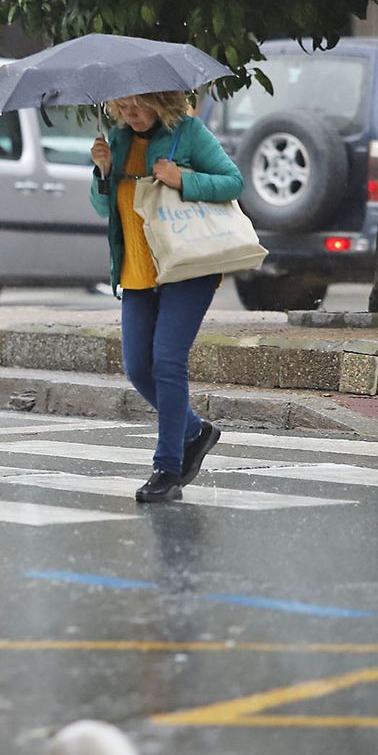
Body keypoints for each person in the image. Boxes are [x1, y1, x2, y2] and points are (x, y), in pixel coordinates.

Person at [89, 90, 242, 503]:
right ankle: (195, 430)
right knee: (139, 367)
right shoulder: (118, 141)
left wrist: (183, 179)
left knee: (168, 361)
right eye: (122, 107)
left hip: (186, 267)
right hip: (138, 269)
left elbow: (234, 181)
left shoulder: (189, 133)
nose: (131, 114)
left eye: (138, 105)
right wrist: (102, 173)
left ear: (161, 100)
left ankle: (167, 469)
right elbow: (105, 210)